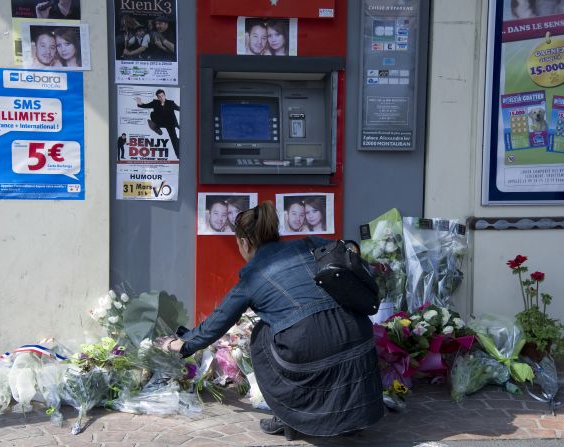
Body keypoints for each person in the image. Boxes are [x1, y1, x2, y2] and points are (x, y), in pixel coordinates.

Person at [159, 201, 384, 440]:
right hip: (358, 335)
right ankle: (356, 412)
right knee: (326, 339)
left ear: (244, 243)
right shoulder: (312, 243)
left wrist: (180, 345)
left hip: (309, 345)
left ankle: (287, 416)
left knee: (261, 335)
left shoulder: (251, 276)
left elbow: (216, 324)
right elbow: (350, 253)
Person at [135, 89, 180, 159]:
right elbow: (145, 105)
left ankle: (178, 154)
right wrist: (139, 101)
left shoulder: (171, 103)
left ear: (165, 95)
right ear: (157, 97)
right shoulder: (155, 102)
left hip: (170, 123)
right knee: (152, 114)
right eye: (159, 96)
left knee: (174, 139)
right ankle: (156, 128)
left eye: (162, 95)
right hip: (160, 122)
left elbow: (180, 109)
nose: (161, 97)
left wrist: (177, 125)